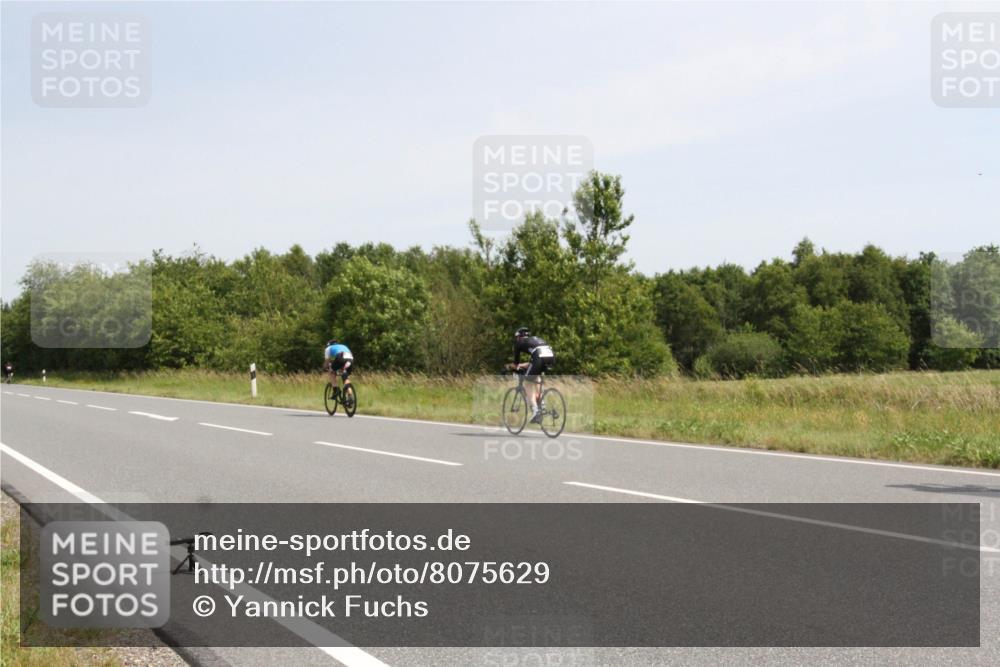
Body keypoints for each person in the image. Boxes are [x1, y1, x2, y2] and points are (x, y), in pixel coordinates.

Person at [507, 327, 555, 423]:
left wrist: (508, 367)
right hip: (551, 356)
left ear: (519, 337)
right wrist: (522, 365)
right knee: (537, 378)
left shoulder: (519, 343)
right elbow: (532, 362)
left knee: (527, 383)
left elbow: (515, 364)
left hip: (538, 356)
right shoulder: (534, 340)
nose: (516, 340)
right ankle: (543, 406)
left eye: (516, 338)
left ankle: (536, 411)